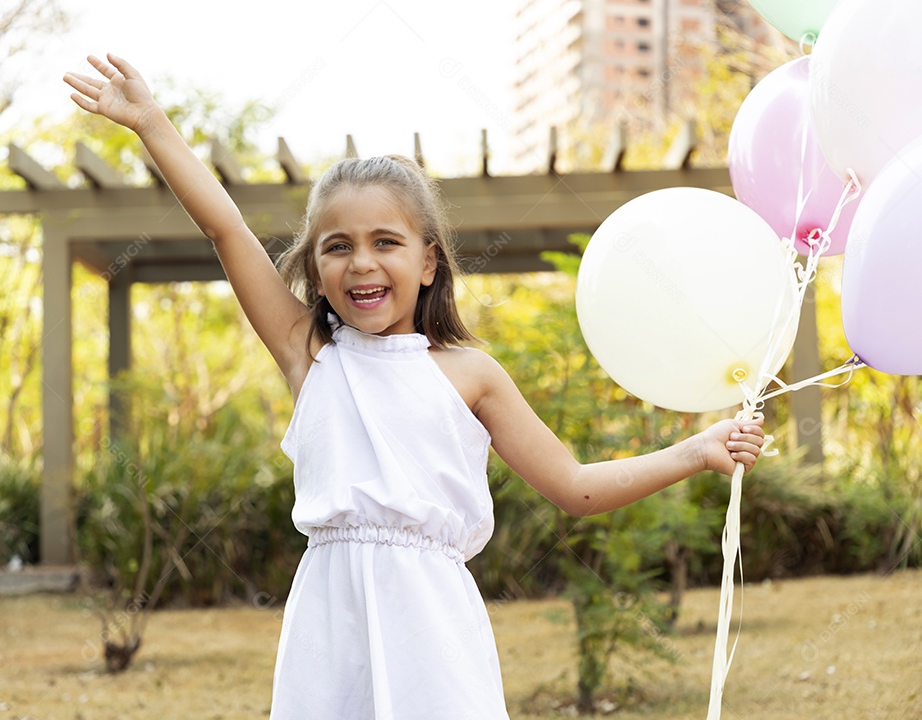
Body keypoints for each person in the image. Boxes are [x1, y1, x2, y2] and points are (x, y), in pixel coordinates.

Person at [64, 54, 766, 719]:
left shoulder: (471, 374)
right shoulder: (310, 353)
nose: (360, 263)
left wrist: (697, 451)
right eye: (336, 247)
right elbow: (225, 228)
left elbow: (574, 486)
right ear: (314, 266)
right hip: (328, 624)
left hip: (433, 625)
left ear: (429, 261)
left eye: (385, 242)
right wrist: (152, 124)